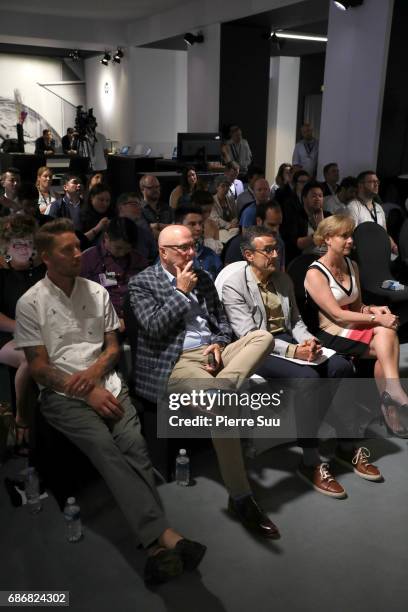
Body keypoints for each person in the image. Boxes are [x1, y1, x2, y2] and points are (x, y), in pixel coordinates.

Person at [14, 218, 206, 586]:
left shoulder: (97, 292)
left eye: (76, 246)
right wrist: (86, 388)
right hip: (63, 395)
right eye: (66, 250)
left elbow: (113, 347)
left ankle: (155, 548)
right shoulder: (30, 302)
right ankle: (163, 537)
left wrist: (97, 377)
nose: (77, 254)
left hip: (109, 384)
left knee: (134, 445)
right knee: (106, 448)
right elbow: (38, 367)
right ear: (45, 258)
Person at [128, 224, 279, 538]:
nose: (191, 253)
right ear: (163, 252)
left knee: (262, 337)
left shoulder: (205, 277)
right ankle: (240, 497)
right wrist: (180, 292)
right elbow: (154, 328)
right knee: (223, 410)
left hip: (213, 355)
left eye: (192, 245)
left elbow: (221, 323)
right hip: (174, 362)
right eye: (182, 248)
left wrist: (220, 344)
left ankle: (222, 388)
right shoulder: (142, 283)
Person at [220, 226, 361, 497]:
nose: (275, 255)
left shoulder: (283, 280)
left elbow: (295, 322)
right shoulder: (234, 285)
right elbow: (249, 336)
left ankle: (343, 442)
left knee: (342, 366)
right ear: (249, 255)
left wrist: (307, 341)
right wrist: (293, 352)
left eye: (276, 249)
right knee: (308, 380)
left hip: (288, 341)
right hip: (254, 350)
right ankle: (310, 459)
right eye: (268, 250)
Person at [304, 214, 408, 439]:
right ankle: (393, 399)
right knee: (386, 339)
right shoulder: (314, 273)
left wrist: (373, 309)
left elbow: (358, 306)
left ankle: (391, 397)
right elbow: (337, 314)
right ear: (328, 239)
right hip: (330, 332)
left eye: (351, 235)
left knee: (386, 335)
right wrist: (376, 319)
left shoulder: (351, 264)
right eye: (344, 236)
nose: (351, 240)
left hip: (352, 325)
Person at [0, 215, 46, 454]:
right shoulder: (1, 273)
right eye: (17, 244)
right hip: (7, 336)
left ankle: (45, 428)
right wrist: (23, 328)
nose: (23, 248)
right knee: (30, 358)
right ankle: (21, 418)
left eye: (27, 243)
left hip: (39, 335)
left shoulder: (41, 271)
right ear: (7, 246)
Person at [80, 217, 148, 331]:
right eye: (118, 248)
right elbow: (81, 299)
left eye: (127, 249)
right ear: (106, 237)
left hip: (136, 320)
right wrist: (112, 320)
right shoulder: (88, 259)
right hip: (100, 323)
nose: (122, 253)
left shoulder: (139, 260)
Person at [347, 170, 398, 254]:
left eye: (377, 181)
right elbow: (351, 235)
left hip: (380, 251)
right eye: (372, 181)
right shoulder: (353, 207)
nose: (376, 184)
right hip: (363, 253)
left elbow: (384, 233)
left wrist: (394, 246)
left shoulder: (378, 208)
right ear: (360, 185)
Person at [281, 180, 329, 264]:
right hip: (304, 262)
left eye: (320, 196)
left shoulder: (328, 216)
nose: (317, 199)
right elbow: (295, 244)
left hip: (327, 260)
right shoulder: (295, 217)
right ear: (304, 199)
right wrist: (319, 231)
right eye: (314, 196)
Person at [174, 206, 222, 280]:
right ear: (178, 225)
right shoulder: (171, 256)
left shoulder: (210, 254)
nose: (198, 228)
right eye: (192, 224)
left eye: (200, 223)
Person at [116, 192, 157, 264]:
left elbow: (154, 256)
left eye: (140, 204)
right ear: (121, 207)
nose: (140, 208)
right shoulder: (110, 229)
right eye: (134, 204)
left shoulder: (145, 233)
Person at [139, 174, 174, 239]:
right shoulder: (138, 209)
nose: (155, 190)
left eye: (157, 187)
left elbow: (175, 228)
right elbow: (143, 230)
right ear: (142, 189)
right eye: (151, 187)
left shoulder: (167, 208)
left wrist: (157, 225)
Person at [211, 176, 239, 242]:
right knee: (228, 239)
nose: (226, 188)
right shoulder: (212, 201)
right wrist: (229, 225)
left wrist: (235, 221)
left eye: (227, 186)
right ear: (217, 187)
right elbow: (215, 219)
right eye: (223, 186)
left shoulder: (230, 198)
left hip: (232, 228)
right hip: (218, 229)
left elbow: (235, 215)